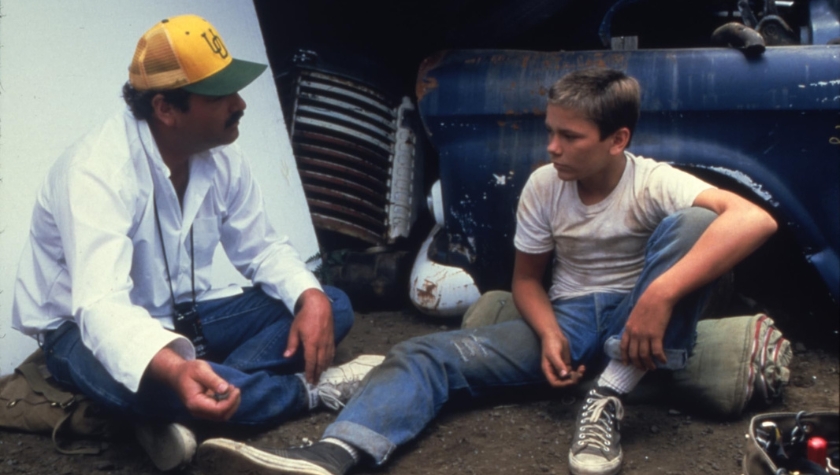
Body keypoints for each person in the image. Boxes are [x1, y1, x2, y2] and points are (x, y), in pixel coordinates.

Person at [193, 69, 778, 475]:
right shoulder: (545, 187)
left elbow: (755, 220)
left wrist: (660, 295)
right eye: (550, 131)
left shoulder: (652, 179)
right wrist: (549, 335)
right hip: (571, 320)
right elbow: (526, 280)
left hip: (641, 319)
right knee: (424, 353)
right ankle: (334, 453)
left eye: (569, 136)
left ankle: (608, 397)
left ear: (617, 139)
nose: (551, 147)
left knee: (699, 224)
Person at [11, 14, 382, 472]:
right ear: (166, 109)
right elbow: (101, 307)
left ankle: (194, 405)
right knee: (146, 379)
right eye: (220, 94)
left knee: (329, 304)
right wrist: (172, 369)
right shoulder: (95, 172)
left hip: (183, 316)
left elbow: (262, 248)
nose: (241, 103)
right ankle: (308, 391)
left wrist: (308, 296)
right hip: (80, 330)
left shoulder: (222, 154)